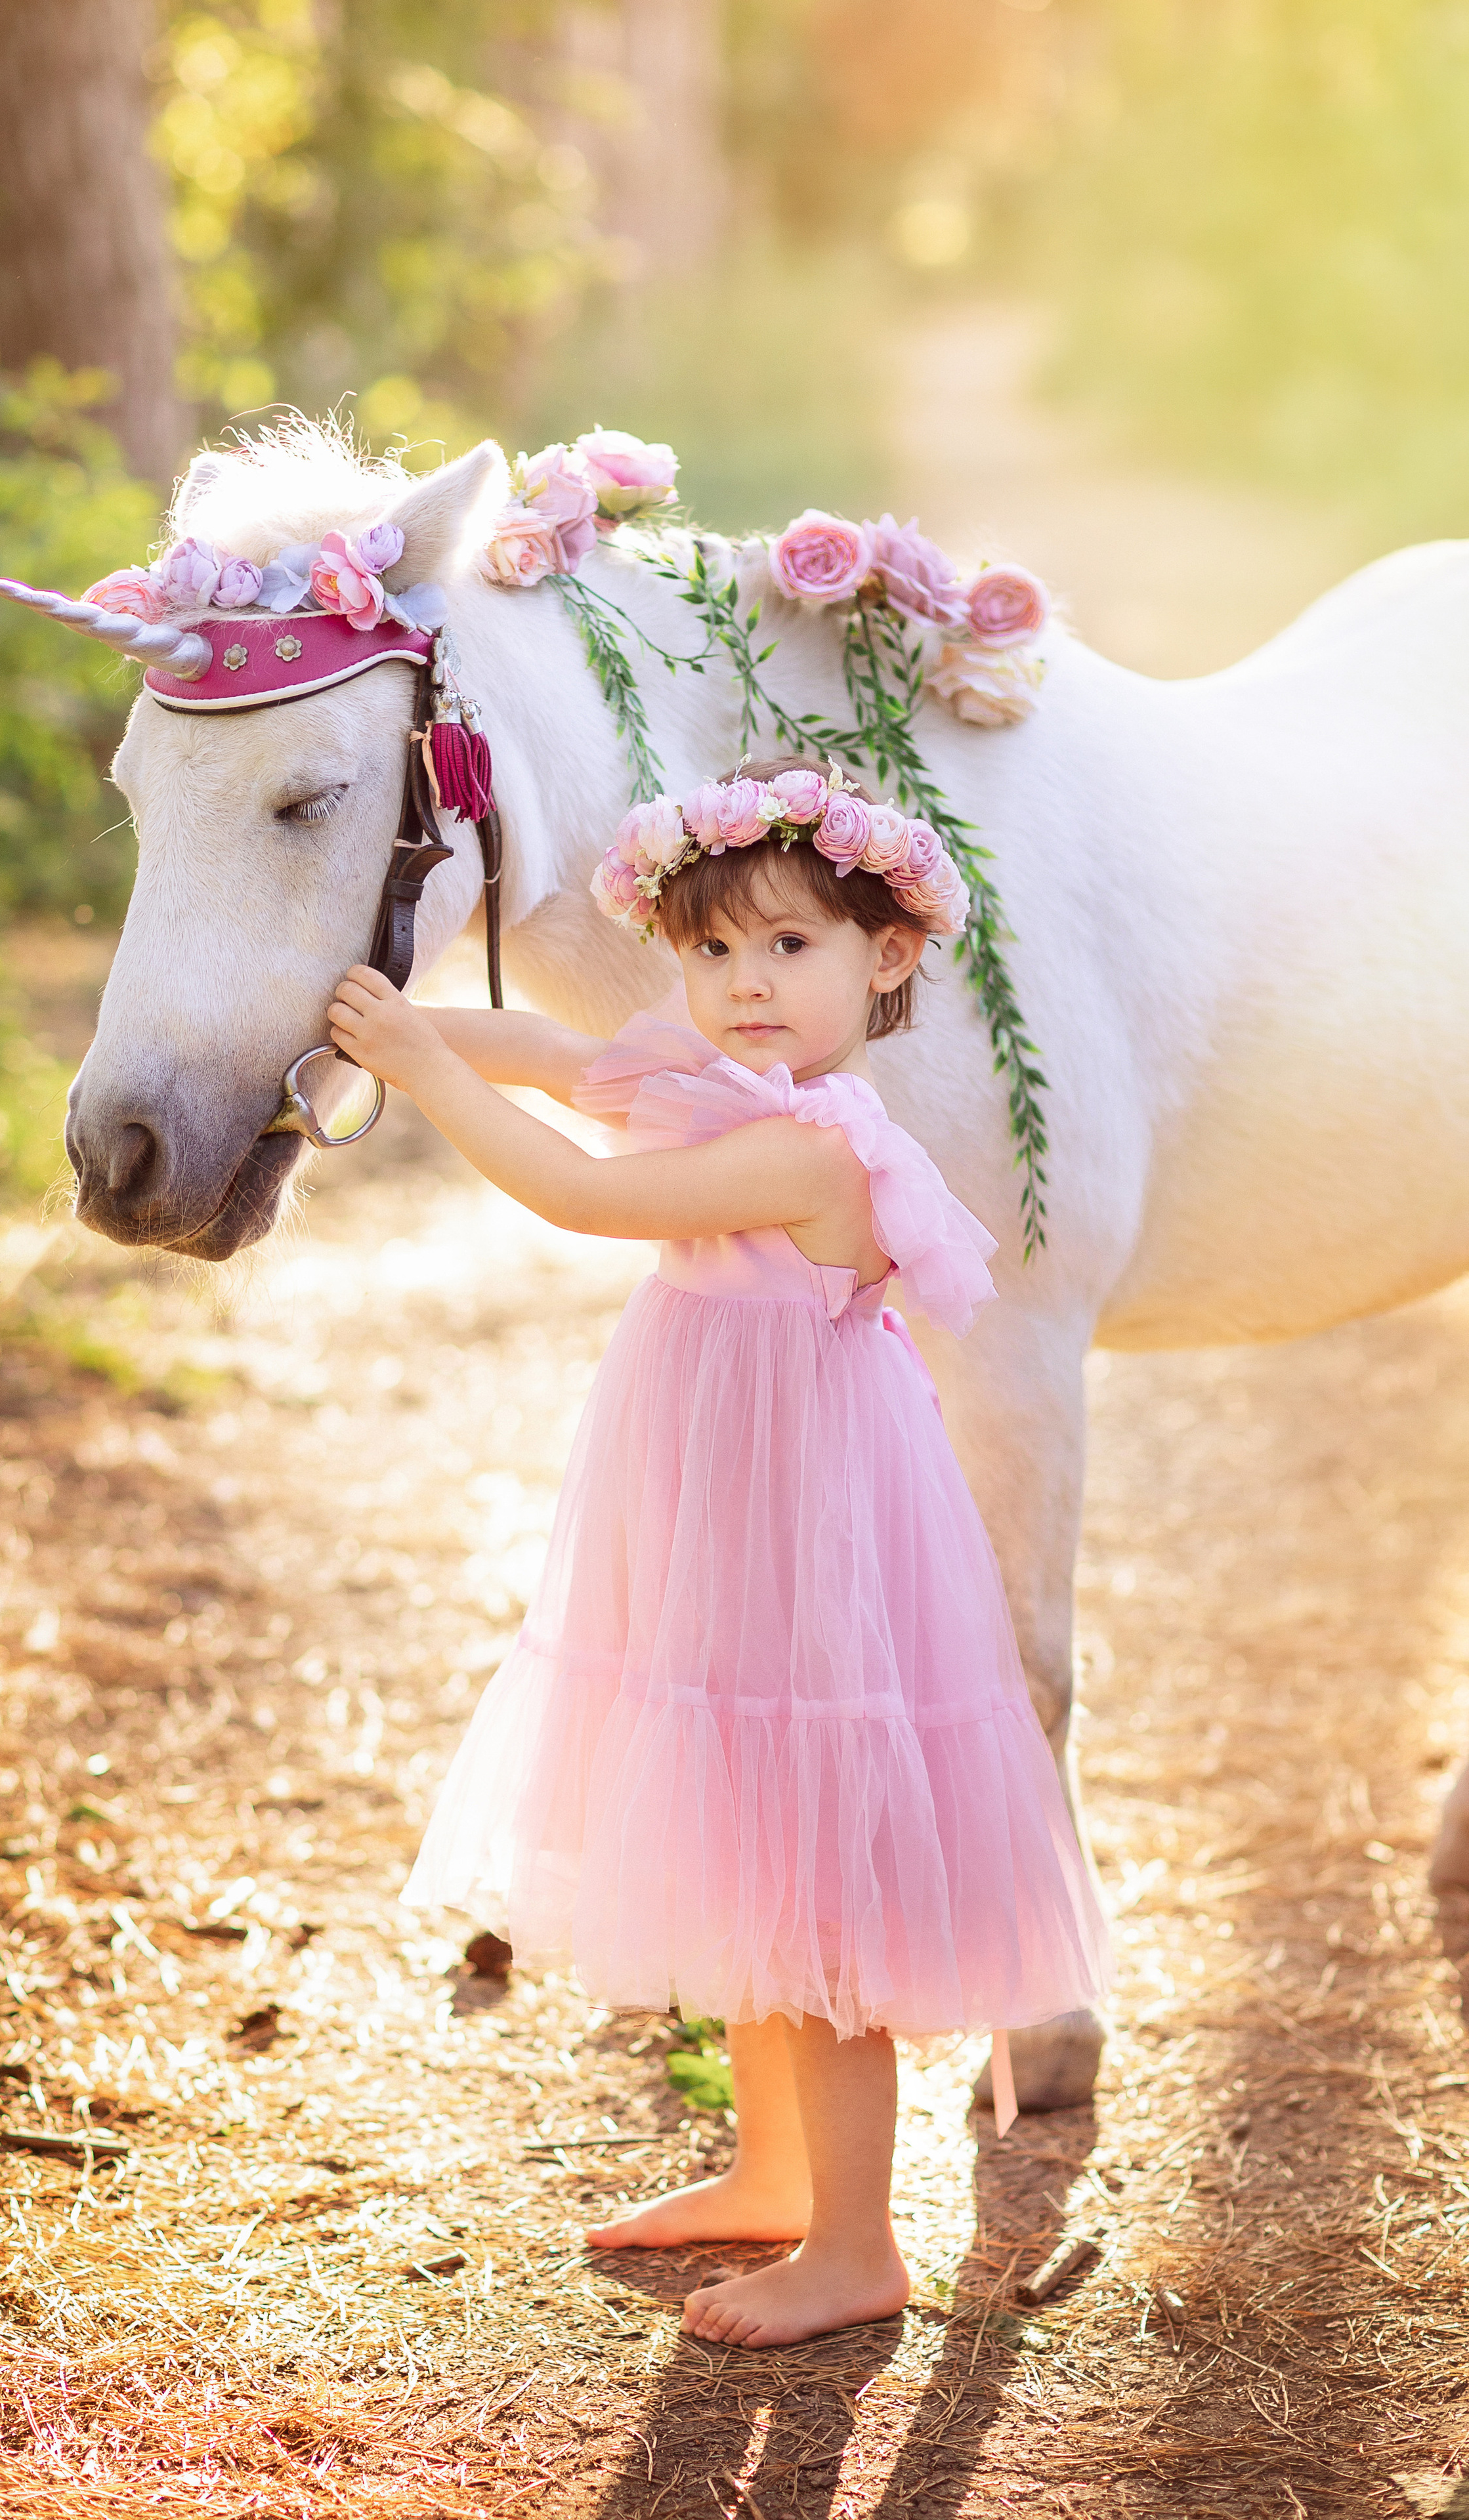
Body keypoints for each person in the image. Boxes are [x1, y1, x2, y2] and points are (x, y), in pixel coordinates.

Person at [326, 756, 1109, 2350]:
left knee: (810, 1876)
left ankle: (855, 2249)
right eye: (711, 954)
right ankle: (772, 2175)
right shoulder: (711, 1077)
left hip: (800, 1521)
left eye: (789, 950)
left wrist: (415, 1067)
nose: (744, 986)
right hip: (714, 1504)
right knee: (749, 1843)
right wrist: (351, 1013)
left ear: (882, 960)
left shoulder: (816, 1153)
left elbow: (573, 1187)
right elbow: (544, 1055)